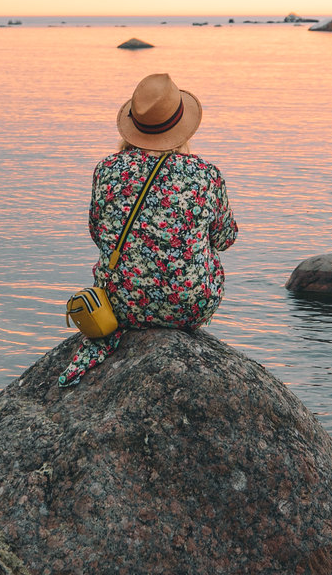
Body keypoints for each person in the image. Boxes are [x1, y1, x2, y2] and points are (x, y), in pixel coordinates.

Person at [60, 71, 240, 387]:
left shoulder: (106, 169)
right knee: (207, 249)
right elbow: (225, 238)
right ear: (182, 127)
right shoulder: (204, 174)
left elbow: (97, 233)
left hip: (118, 307)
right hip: (187, 307)